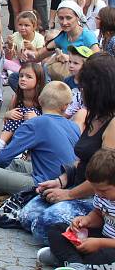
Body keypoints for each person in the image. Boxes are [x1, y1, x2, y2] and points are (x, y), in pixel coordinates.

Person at [20, 53, 115, 245]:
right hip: (75, 186)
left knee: (42, 226)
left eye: (83, 87)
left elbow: (104, 176)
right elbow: (81, 162)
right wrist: (61, 181)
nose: (80, 91)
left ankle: (100, 237)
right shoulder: (92, 115)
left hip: (98, 197)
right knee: (27, 216)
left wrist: (69, 195)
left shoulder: (113, 123)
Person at [0, 81, 78, 199]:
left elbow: (6, 155)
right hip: (69, 181)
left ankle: (19, 195)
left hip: (45, 184)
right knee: (16, 164)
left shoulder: (35, 123)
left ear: (40, 100)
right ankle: (12, 189)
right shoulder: (74, 126)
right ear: (66, 106)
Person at [41, 148, 115, 269]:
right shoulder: (103, 196)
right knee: (57, 229)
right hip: (101, 238)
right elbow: (98, 214)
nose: (98, 193)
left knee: (104, 257)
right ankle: (74, 263)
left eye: (103, 190)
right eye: (95, 189)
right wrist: (86, 221)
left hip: (109, 247)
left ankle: (66, 259)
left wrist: (100, 243)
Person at [0, 61, 44, 163]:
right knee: (16, 113)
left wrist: (36, 118)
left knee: (31, 112)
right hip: (16, 133)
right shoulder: (17, 97)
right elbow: (6, 119)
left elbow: (48, 120)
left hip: (35, 135)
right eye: (21, 76)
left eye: (29, 77)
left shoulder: (42, 98)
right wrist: (8, 114)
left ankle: (22, 151)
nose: (23, 79)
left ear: (38, 81)